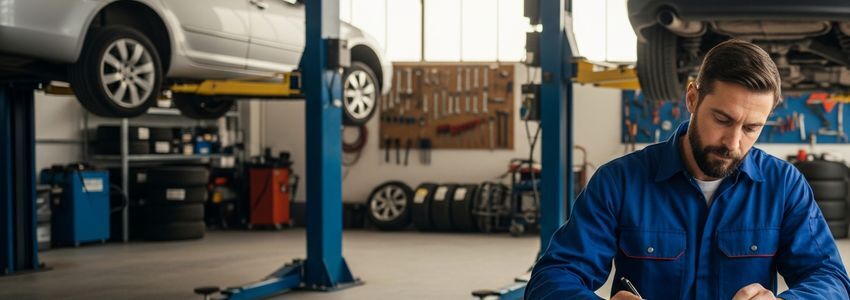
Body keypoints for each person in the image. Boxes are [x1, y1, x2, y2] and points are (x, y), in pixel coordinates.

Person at [525, 39, 850, 299]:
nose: (733, 143)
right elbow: (552, 278)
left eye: (752, 128)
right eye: (722, 120)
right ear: (693, 98)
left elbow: (830, 279)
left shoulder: (784, 185)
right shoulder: (619, 181)